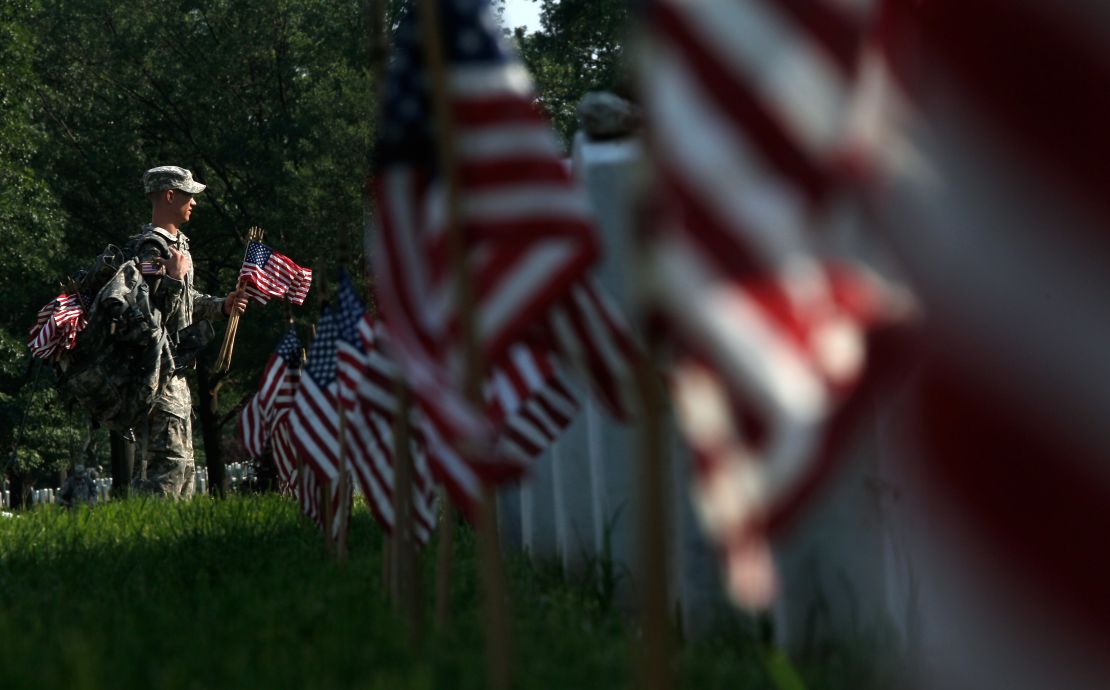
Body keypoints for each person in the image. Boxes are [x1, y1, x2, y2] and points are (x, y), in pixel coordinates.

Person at [131, 165, 249, 499]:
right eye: (188, 195)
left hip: (177, 375)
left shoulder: (179, 244)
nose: (194, 202)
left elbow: (186, 301)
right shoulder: (149, 249)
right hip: (158, 377)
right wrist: (170, 277)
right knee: (164, 473)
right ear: (170, 195)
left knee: (184, 468)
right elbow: (147, 311)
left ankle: (176, 544)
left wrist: (221, 305)